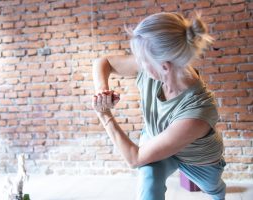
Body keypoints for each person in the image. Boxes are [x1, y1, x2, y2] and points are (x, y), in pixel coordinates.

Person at [92, 12, 226, 200]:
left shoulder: (199, 111)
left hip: (198, 161)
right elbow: (103, 62)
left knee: (213, 189)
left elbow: (134, 157)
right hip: (155, 136)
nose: (139, 64)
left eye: (143, 62)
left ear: (164, 67)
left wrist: (104, 114)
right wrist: (102, 92)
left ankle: (218, 192)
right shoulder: (157, 63)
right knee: (149, 190)